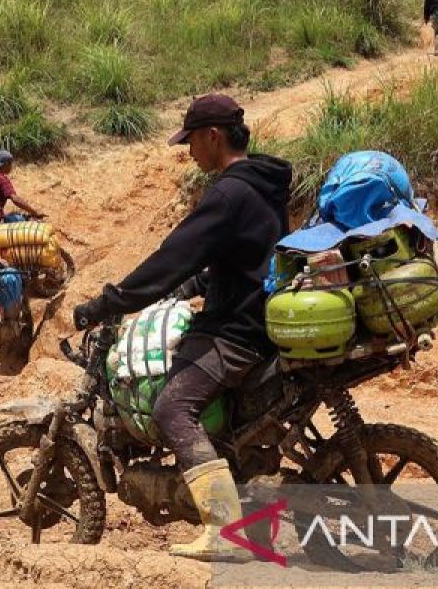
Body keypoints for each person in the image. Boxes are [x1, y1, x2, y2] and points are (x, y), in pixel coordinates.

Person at [72, 94, 292, 561]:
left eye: (190, 141)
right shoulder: (262, 185)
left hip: (236, 332)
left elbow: (171, 257)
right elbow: (243, 259)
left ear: (213, 137)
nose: (188, 151)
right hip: (253, 316)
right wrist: (194, 283)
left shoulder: (229, 193)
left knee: (172, 408)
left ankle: (225, 533)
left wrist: (107, 302)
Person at [0, 149, 44, 222]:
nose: (11, 167)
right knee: (23, 219)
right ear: (6, 164)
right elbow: (15, 199)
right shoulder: (2, 179)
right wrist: (34, 212)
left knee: (14, 214)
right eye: (11, 164)